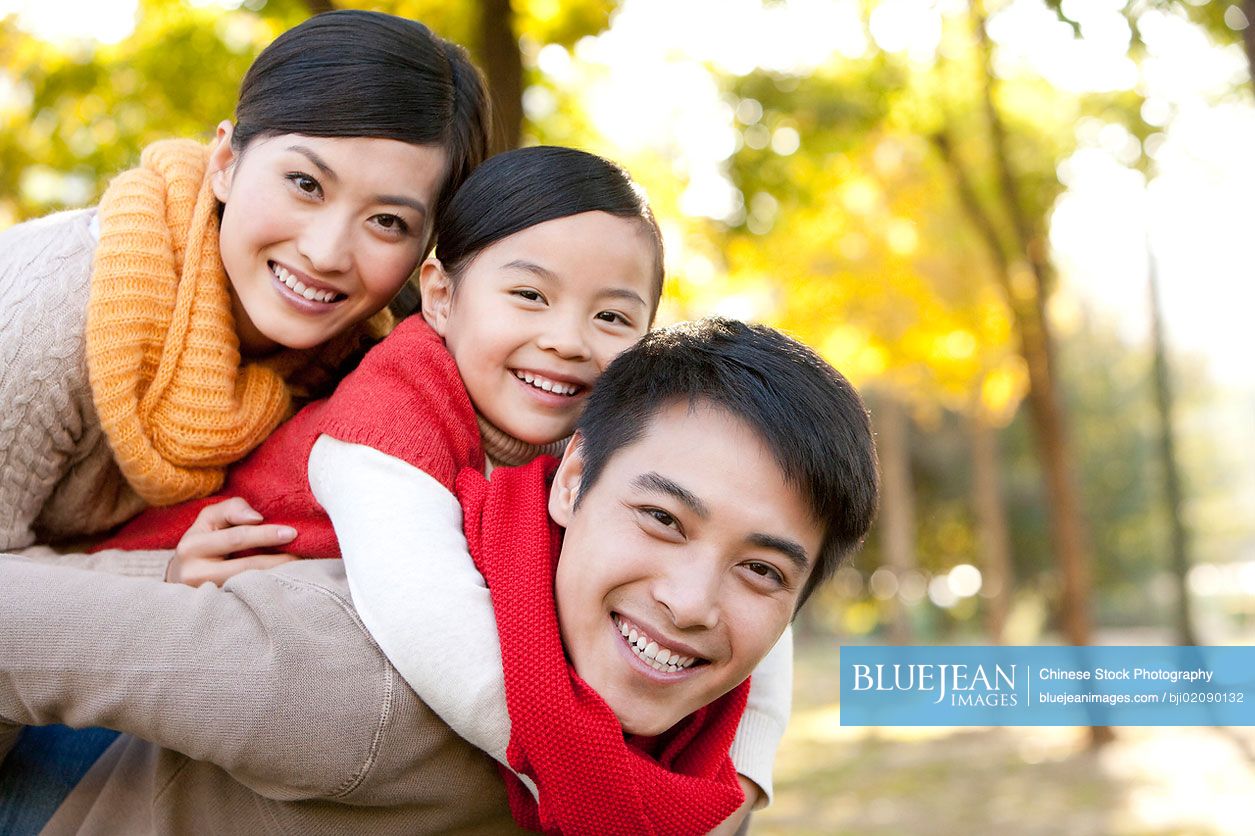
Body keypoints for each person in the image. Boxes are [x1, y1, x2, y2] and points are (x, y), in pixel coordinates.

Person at [93, 145, 788, 820]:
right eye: (528, 295)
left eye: (611, 317)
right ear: (442, 296)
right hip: (136, 637)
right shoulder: (394, 407)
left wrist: (746, 783)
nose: (569, 340)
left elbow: (752, 560)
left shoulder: (615, 429)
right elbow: (443, 637)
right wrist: (602, 792)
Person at [0, 317, 879, 835]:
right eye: (660, 519)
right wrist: (160, 571)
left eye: (758, 569)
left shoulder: (688, 774)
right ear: (569, 481)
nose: (689, 602)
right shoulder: (348, 687)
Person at [0, 9, 490, 552]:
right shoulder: (51, 318)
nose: (324, 253)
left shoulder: (365, 357)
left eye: (387, 222)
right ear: (226, 162)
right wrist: (151, 577)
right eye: (305, 183)